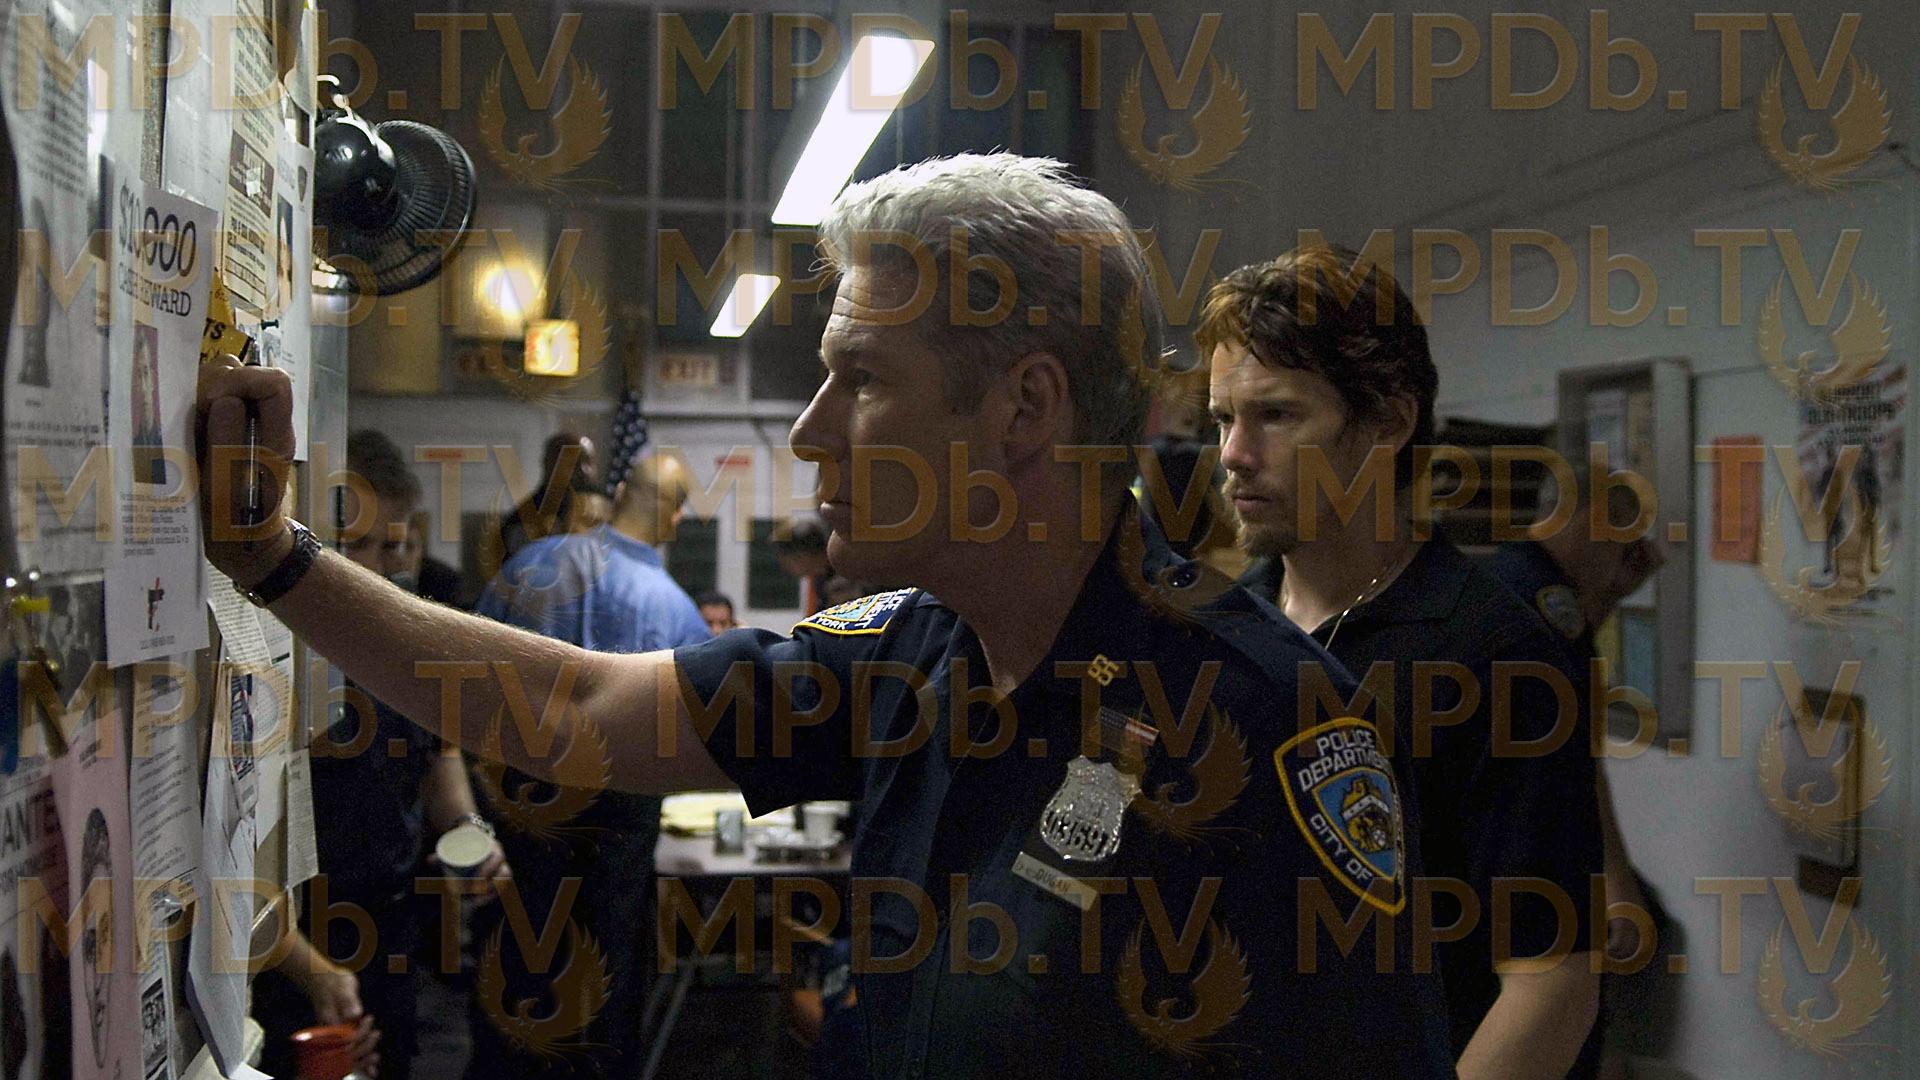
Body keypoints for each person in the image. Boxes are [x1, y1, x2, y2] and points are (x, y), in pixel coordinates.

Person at [199, 153, 1455, 1078]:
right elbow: (580, 710)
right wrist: (273, 560)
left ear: (1023, 409)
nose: (807, 433)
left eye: (859, 380)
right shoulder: (906, 653)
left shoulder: (1268, 724)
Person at [1209, 245, 1604, 1079]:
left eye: (1275, 415)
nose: (1234, 454)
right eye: (1222, 420)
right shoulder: (1223, 636)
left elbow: (1552, 986)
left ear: (1387, 422)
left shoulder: (1496, 657)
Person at [251, 430, 509, 1080]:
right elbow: (232, 857)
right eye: (355, 545)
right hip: (293, 943)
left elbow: (436, 753)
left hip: (390, 927)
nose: (374, 569)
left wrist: (467, 830)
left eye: (390, 546)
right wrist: (312, 971)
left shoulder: (395, 642)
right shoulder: (268, 654)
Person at [466, 453, 709, 1077]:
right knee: (606, 981)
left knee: (517, 967)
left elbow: (468, 680)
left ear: (621, 491)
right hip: (618, 818)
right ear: (676, 518)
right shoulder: (677, 611)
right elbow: (696, 737)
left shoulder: (532, 564)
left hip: (521, 800)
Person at [1485, 475, 1677, 1080]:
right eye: (1622, 544)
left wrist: (1610, 592)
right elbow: (1574, 765)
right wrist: (1615, 883)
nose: (1625, 563)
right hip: (1521, 863)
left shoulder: (1509, 578)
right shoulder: (1547, 607)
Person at [494, 433, 597, 567]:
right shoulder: (522, 521)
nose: (584, 470)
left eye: (588, 461)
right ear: (550, 464)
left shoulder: (607, 509)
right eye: (574, 462)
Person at [772, 516, 831, 615]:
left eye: (787, 561)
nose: (784, 567)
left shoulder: (842, 581)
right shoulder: (818, 579)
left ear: (803, 556)